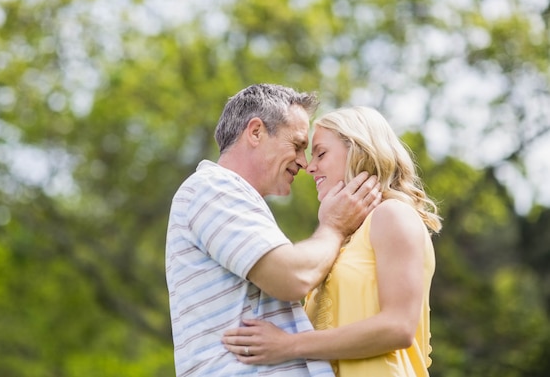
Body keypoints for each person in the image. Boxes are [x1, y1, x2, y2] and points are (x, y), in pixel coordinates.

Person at [166, 84, 381, 377]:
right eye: (297, 145)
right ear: (256, 132)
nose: (304, 163)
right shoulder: (212, 188)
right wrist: (334, 227)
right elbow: (291, 278)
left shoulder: (232, 198)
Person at [222, 105, 442, 377]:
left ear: (359, 151)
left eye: (321, 154)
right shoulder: (343, 238)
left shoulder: (392, 215)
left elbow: (398, 327)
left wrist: (288, 345)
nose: (310, 167)